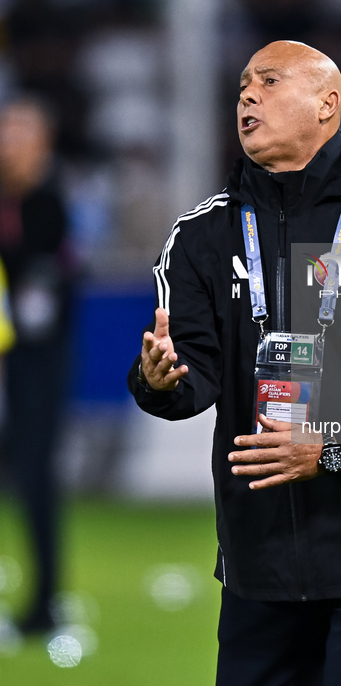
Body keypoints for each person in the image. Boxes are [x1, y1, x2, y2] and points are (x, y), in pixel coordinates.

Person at [128, 41, 341, 686]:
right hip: (263, 565)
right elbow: (191, 375)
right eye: (241, 86)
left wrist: (332, 445)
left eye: (269, 80)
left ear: (327, 104)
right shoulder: (202, 236)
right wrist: (158, 380)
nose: (247, 96)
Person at [0, 96, 72, 634]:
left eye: (21, 133)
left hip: (35, 366)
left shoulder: (54, 204)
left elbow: (51, 296)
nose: (10, 143)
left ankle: (45, 601)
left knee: (36, 478)